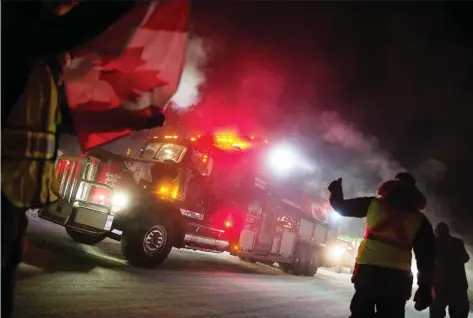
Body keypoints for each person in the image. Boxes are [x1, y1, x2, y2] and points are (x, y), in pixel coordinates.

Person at [1, 2, 134, 317]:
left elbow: (67, 121)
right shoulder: (17, 40)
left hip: (11, 197)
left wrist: (133, 118)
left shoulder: (37, 68)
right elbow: (75, 27)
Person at [328, 172, 435, 318]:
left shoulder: (373, 204)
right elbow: (426, 258)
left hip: (368, 273)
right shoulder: (420, 220)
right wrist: (425, 287)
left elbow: (341, 207)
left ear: (390, 187)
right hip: (398, 279)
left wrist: (335, 191)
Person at [430, 222, 470, 318]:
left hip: (440, 286)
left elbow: (427, 263)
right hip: (458, 286)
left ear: (436, 232)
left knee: (436, 313)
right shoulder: (458, 242)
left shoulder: (433, 244)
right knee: (459, 313)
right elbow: (466, 258)